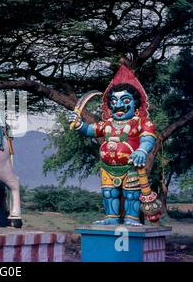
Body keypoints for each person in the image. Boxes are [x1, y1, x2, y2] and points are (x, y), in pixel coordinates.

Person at [68, 64, 162, 225]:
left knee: (131, 194)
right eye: (114, 101)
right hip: (107, 168)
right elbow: (90, 129)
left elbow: (148, 139)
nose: (118, 105)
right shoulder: (107, 124)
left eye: (125, 100)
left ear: (136, 105)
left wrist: (141, 150)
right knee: (109, 193)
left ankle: (131, 219)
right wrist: (79, 125)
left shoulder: (141, 123)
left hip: (131, 166)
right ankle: (111, 218)